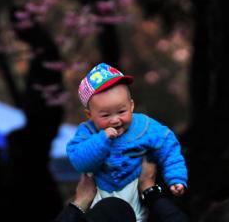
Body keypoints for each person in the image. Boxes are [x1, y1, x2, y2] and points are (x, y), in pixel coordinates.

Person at [67, 63, 189, 222]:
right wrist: (102, 139)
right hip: (101, 196)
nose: (115, 120)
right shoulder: (87, 131)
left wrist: (176, 177)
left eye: (121, 111)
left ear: (131, 106)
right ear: (89, 115)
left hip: (136, 192)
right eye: (105, 115)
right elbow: (79, 161)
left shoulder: (144, 126)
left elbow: (168, 147)